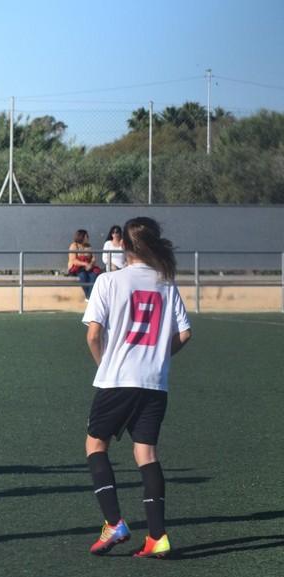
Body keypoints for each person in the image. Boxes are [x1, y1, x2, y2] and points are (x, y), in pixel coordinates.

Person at [81, 217, 192, 559]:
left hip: (118, 380)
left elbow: (93, 335)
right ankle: (157, 536)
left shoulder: (109, 281)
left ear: (123, 246)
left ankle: (114, 522)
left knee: (95, 445)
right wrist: (158, 356)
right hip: (154, 383)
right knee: (147, 453)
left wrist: (106, 366)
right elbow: (184, 333)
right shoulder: (167, 284)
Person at [67, 228, 102, 300]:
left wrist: (91, 264)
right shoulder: (74, 246)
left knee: (93, 275)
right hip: (78, 268)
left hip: (89, 267)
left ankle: (90, 295)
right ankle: (88, 295)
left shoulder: (88, 246)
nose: (88, 238)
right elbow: (73, 260)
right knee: (83, 276)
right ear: (81, 237)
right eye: (86, 236)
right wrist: (85, 264)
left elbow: (93, 258)